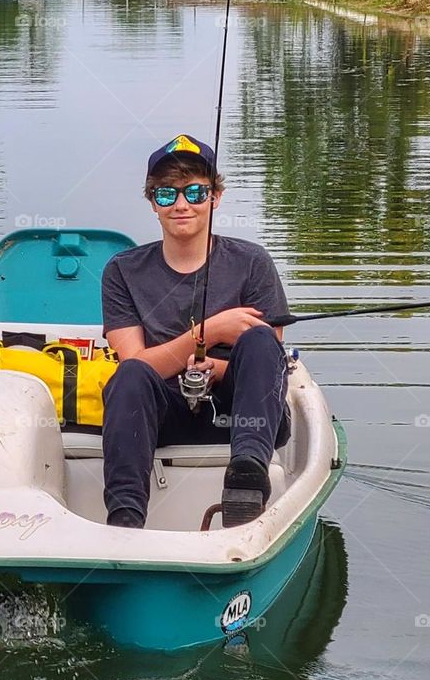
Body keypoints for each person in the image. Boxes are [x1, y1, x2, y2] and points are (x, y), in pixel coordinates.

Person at [100, 133, 291, 529]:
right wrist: (211, 331)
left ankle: (247, 481)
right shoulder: (122, 271)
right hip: (162, 412)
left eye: (195, 192)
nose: (182, 204)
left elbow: (268, 361)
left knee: (257, 339)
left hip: (240, 412)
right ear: (152, 202)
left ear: (215, 198)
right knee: (131, 375)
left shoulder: (252, 262)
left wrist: (215, 369)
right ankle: (124, 520)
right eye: (167, 194)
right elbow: (135, 362)